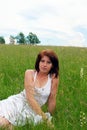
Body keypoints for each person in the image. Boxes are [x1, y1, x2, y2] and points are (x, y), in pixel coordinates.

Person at [0, 49, 59, 130]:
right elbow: (30, 98)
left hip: (32, 110)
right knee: (2, 122)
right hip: (19, 102)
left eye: (48, 62)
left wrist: (51, 117)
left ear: (53, 65)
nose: (44, 65)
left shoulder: (53, 77)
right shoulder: (30, 73)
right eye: (42, 61)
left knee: (3, 123)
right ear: (38, 62)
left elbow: (52, 98)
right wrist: (45, 119)